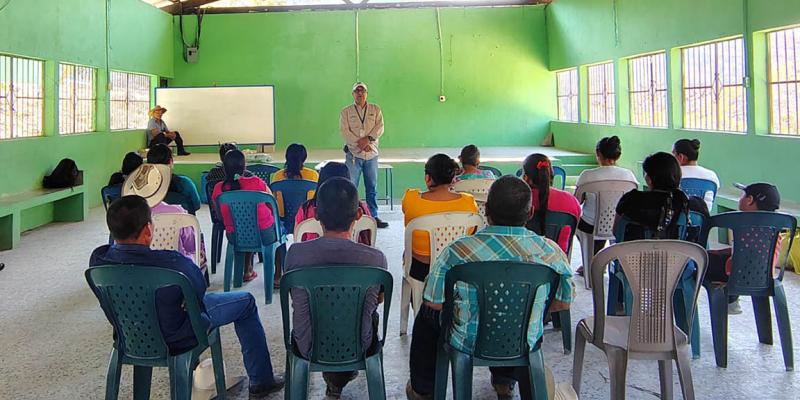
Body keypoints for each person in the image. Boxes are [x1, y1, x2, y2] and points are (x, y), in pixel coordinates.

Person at [89, 195, 284, 397]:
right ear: (148, 230)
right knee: (247, 303)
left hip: (129, 336)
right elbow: (198, 293)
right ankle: (262, 381)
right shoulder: (173, 263)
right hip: (180, 336)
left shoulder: (98, 260)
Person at [407, 176, 574, 400]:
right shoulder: (551, 253)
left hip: (467, 341)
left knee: (426, 315)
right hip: (522, 340)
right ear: (530, 212)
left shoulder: (457, 251)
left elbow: (433, 302)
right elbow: (563, 301)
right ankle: (505, 380)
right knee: (513, 317)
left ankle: (423, 389)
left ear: (485, 211)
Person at [284, 177, 388, 398]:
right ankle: (339, 378)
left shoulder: (295, 254)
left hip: (307, 346)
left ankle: (335, 381)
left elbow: (294, 295)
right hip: (359, 345)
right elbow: (378, 300)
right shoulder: (375, 260)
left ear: (317, 214)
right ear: (358, 215)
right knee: (367, 315)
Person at [706, 182, 782, 315]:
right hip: (763, 276)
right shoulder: (774, 228)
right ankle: (732, 301)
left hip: (735, 274)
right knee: (716, 256)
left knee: (696, 262)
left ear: (750, 200)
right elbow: (749, 252)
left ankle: (689, 307)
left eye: (743, 195)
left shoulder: (743, 223)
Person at [402, 154, 479, 283]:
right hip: (456, 269)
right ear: (453, 178)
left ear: (428, 178)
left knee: (407, 251)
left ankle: (417, 300)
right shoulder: (469, 202)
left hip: (421, 270)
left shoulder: (410, 198)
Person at [574, 136, 638, 274]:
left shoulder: (587, 176)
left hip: (590, 226)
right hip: (619, 225)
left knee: (578, 222)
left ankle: (591, 257)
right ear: (618, 155)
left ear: (598, 153)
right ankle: (610, 259)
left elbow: (576, 202)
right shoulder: (629, 176)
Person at [211, 149, 275, 282]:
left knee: (245, 228)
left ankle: (247, 269)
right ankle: (278, 275)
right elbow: (271, 204)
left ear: (224, 167)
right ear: (244, 166)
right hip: (263, 234)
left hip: (235, 235)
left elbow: (220, 216)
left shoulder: (218, 188)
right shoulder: (257, 182)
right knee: (277, 235)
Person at [122, 163, 202, 265]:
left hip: (139, 267)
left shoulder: (126, 215)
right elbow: (191, 245)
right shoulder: (178, 212)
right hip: (176, 268)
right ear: (162, 186)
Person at [340, 82, 388, 228]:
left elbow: (380, 128)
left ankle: (373, 216)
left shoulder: (375, 109)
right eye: (357, 91)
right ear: (353, 94)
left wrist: (368, 140)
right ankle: (349, 217)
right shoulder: (346, 112)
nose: (360, 93)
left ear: (367, 93)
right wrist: (360, 144)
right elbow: (345, 132)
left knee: (372, 187)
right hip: (354, 154)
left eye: (362, 91)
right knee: (351, 186)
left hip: (371, 154)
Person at [295, 162, 372, 245]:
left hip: (311, 256)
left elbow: (298, 238)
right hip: (357, 256)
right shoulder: (362, 208)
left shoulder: (306, 209)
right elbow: (368, 239)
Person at [521, 153, 581, 253]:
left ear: (526, 178)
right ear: (550, 176)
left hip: (522, 261)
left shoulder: (517, 200)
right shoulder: (571, 201)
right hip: (558, 263)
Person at [147, 144, 202, 214]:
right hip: (184, 222)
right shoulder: (185, 183)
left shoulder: (142, 187)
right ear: (171, 161)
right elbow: (196, 206)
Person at [673, 138, 720, 210]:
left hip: (677, 220)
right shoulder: (712, 176)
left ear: (681, 157)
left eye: (673, 154)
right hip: (703, 220)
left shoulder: (671, 174)